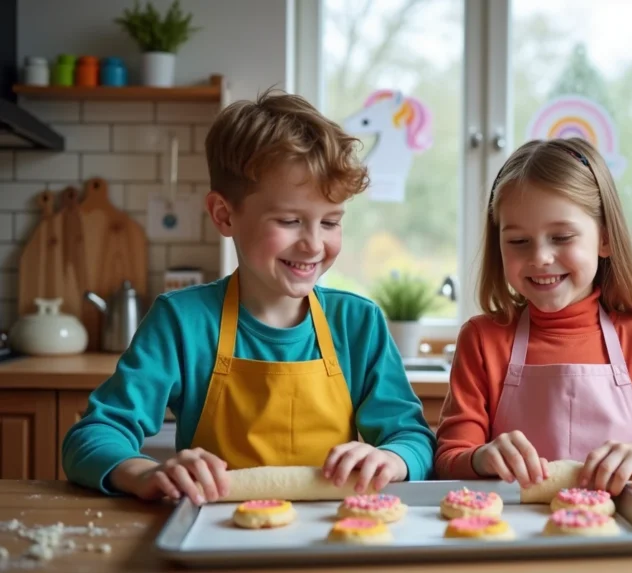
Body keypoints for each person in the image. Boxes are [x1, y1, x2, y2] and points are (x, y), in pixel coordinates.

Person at [62, 89, 436, 505]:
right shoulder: (183, 322)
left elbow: (412, 438)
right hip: (218, 536)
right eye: (291, 220)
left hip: (333, 537)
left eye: (330, 222)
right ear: (224, 214)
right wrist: (145, 472)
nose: (314, 244)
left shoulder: (357, 323)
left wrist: (391, 458)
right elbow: (91, 437)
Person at [433, 137, 632, 495]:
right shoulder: (482, 339)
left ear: (605, 239)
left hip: (616, 537)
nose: (540, 257)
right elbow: (449, 457)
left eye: (561, 237)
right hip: (512, 537)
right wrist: (481, 457)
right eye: (518, 242)